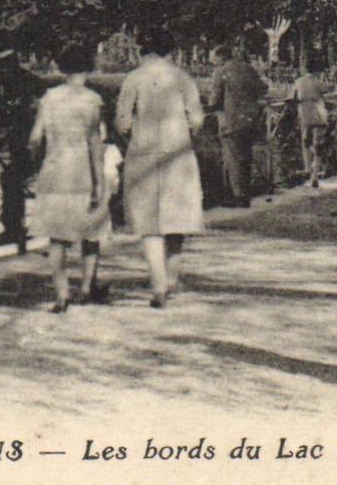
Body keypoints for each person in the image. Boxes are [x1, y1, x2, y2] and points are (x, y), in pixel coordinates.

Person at [115, 27, 205, 308]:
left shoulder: (134, 78)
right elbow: (198, 118)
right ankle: (172, 278)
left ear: (143, 50)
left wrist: (132, 137)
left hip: (144, 154)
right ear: (170, 51)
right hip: (177, 154)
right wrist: (187, 137)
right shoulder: (182, 77)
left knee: (149, 222)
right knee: (176, 218)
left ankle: (158, 284)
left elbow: (122, 122)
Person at [28, 43, 112, 312]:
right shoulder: (91, 99)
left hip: (53, 170)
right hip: (81, 170)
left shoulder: (49, 98)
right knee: (90, 230)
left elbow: (34, 138)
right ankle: (86, 287)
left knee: (56, 237)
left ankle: (61, 295)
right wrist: (100, 181)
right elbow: (95, 143)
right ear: (87, 67)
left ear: (62, 67)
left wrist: (33, 167)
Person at [0, 51, 48, 246]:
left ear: (7, 67)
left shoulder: (19, 85)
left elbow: (9, 115)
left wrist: (1, 109)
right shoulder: (27, 81)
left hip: (32, 143)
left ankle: (15, 230)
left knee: (11, 179)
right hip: (31, 143)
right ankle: (20, 229)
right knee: (13, 180)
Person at [209, 43, 268, 207]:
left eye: (214, 57)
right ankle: (246, 193)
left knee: (233, 158)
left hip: (231, 120)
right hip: (250, 120)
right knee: (245, 157)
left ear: (221, 57)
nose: (213, 61)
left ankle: (237, 196)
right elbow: (263, 89)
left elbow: (214, 100)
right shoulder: (248, 68)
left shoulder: (220, 72)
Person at [291, 61, 337, 188]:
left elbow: (294, 96)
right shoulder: (317, 82)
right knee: (318, 146)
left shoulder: (298, 81)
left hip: (304, 116)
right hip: (317, 116)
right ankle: (315, 175)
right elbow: (331, 87)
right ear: (318, 72)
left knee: (305, 142)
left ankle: (307, 169)